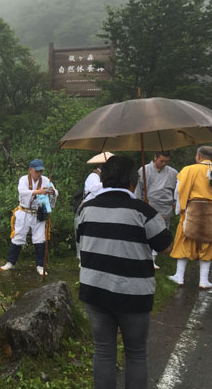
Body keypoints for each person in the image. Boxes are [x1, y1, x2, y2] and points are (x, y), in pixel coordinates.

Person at [75, 155, 173, 389]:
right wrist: (154, 216)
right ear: (133, 182)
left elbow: (81, 241)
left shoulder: (85, 209)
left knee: (104, 351)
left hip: (94, 290)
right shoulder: (142, 210)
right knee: (136, 353)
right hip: (133, 294)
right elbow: (166, 246)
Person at [0, 159, 58, 275]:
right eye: (37, 171)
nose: (39, 174)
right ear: (30, 170)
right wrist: (39, 191)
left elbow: (55, 191)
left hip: (38, 213)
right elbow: (22, 192)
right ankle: (10, 262)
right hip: (24, 212)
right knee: (18, 236)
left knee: (40, 238)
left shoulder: (46, 180)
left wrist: (52, 192)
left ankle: (40, 266)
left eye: (41, 171)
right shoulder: (23, 179)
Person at [168, 146, 212, 289]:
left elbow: (179, 191)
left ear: (199, 156)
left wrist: (180, 209)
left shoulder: (189, 169)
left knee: (184, 240)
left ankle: (179, 277)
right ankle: (203, 281)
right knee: (208, 243)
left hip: (193, 209)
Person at [135, 151, 178, 270]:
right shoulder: (143, 170)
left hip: (165, 206)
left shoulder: (173, 172)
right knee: (144, 231)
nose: (164, 163)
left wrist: (175, 202)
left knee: (160, 232)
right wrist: (138, 203)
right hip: (147, 204)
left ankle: (153, 259)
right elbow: (138, 189)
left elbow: (177, 190)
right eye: (162, 161)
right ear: (155, 157)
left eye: (166, 161)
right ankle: (143, 257)